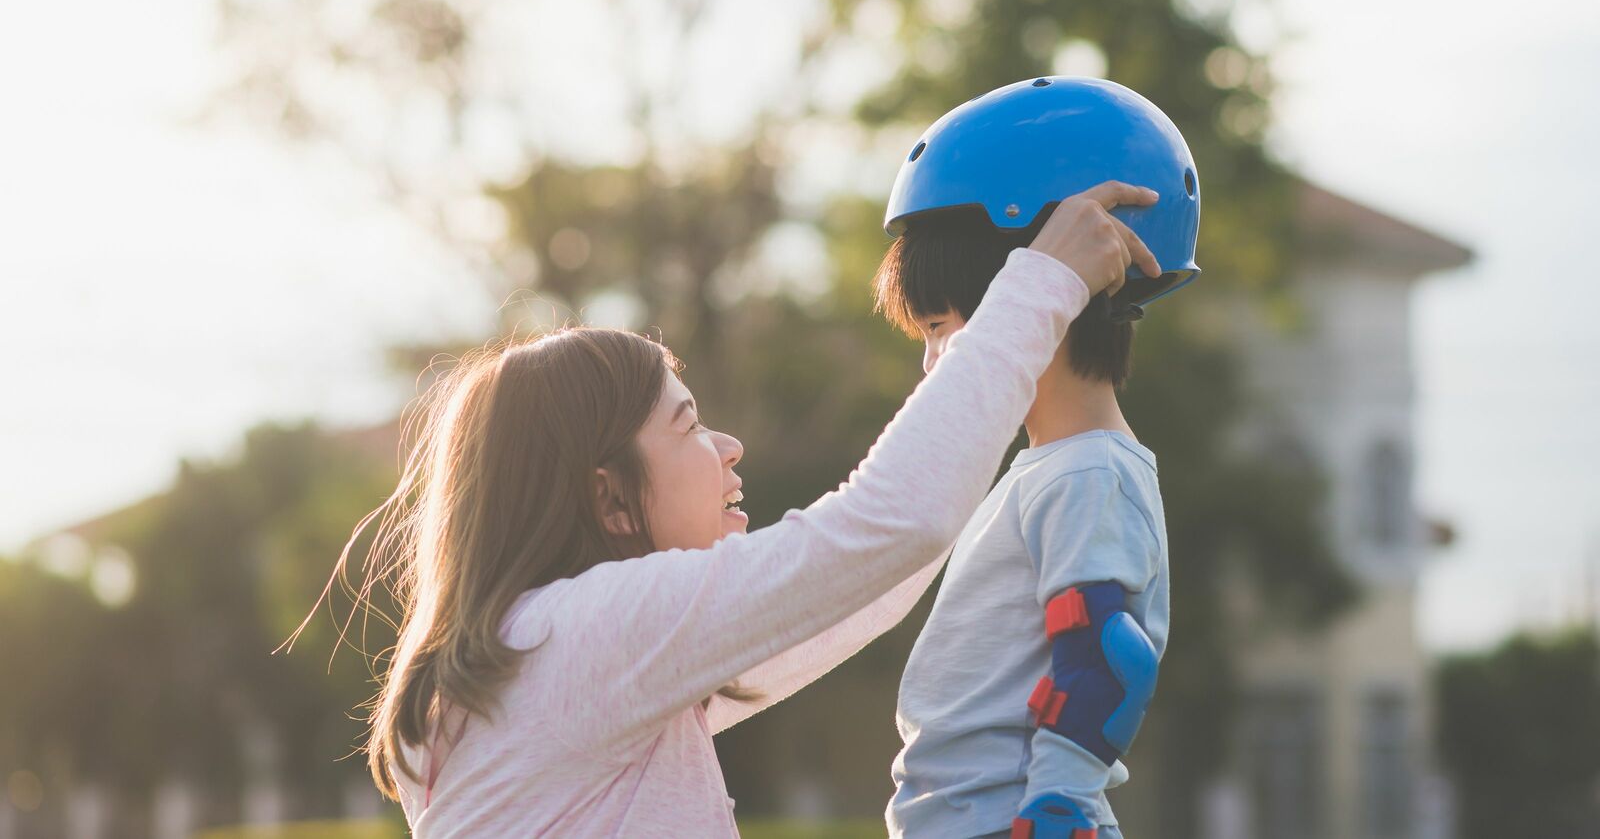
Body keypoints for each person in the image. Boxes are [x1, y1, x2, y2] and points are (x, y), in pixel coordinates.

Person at [294, 181, 1161, 837]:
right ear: (610, 496)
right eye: (689, 426)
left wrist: (982, 397)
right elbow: (880, 533)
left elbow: (866, 577)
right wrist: (1038, 287)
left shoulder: (541, 671)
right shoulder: (582, 638)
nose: (729, 447)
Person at [874, 76, 1202, 839]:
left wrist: (1058, 805)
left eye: (938, 326)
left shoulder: (1088, 475)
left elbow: (1106, 654)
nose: (931, 365)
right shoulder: (1049, 471)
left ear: (1040, 296)